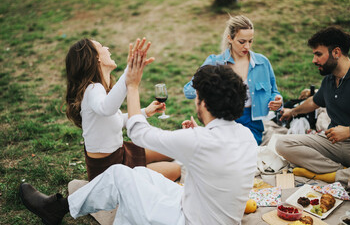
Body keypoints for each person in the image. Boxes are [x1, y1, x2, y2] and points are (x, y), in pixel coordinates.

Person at [19, 61, 258, 224]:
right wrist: (197, 134)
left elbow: (138, 132)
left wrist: (132, 86)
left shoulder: (200, 140)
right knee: (141, 176)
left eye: (197, 97)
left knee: (119, 176)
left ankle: (56, 209)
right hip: (213, 214)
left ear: (204, 103)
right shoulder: (245, 136)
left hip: (189, 219)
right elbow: (217, 158)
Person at [65, 37, 180, 181]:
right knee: (176, 169)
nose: (107, 48)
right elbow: (107, 109)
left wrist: (145, 112)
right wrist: (129, 71)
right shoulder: (93, 89)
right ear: (96, 58)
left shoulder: (101, 91)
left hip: (123, 153)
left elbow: (115, 120)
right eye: (101, 46)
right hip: (108, 169)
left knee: (173, 148)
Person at [276, 26, 350, 185]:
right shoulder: (329, 80)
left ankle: (329, 175)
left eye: (318, 54)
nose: (314, 60)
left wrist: (349, 131)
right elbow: (314, 102)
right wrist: (291, 112)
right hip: (332, 143)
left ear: (336, 52)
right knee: (282, 143)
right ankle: (342, 171)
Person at [183, 15, 282, 145]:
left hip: (251, 123)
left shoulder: (262, 62)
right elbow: (188, 92)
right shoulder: (215, 62)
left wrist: (277, 101)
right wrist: (209, 86)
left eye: (250, 41)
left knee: (242, 148)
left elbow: (274, 92)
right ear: (230, 38)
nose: (247, 46)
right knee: (221, 149)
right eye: (242, 42)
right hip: (222, 121)